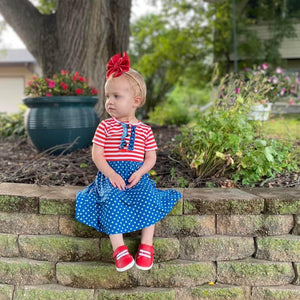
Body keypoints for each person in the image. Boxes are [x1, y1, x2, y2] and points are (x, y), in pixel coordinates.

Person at [75, 52, 182, 272]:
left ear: (136, 101)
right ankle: (119, 250)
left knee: (148, 197)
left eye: (116, 96)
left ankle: (146, 245)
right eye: (107, 96)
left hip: (136, 176)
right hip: (110, 176)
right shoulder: (105, 126)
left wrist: (141, 172)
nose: (109, 102)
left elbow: (151, 157)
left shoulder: (144, 130)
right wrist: (111, 174)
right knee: (111, 200)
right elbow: (97, 154)